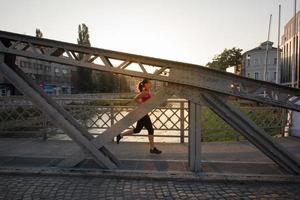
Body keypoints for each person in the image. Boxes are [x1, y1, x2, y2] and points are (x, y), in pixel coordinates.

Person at [116, 79, 162, 154]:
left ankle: (120, 135)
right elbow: (135, 99)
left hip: (143, 113)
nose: (151, 84)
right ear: (145, 84)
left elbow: (152, 99)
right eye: (149, 83)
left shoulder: (148, 92)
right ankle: (152, 148)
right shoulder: (144, 92)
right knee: (150, 130)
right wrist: (142, 104)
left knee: (138, 130)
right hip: (142, 113)